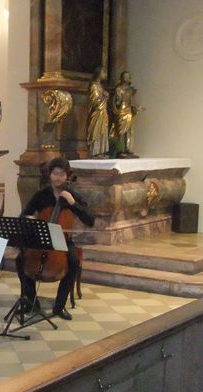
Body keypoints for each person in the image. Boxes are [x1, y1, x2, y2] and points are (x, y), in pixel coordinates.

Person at [15, 157, 94, 320]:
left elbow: (90, 220)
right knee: (20, 260)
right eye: (54, 173)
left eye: (61, 174)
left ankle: (59, 306)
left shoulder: (72, 196)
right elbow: (25, 214)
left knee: (72, 261)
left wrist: (73, 203)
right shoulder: (41, 195)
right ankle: (30, 302)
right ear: (50, 175)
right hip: (41, 239)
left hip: (63, 241)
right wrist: (28, 218)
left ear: (67, 176)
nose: (57, 177)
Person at [110, 70, 140, 155]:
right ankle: (120, 149)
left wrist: (135, 108)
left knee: (130, 130)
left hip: (129, 110)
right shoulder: (119, 89)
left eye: (128, 76)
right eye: (125, 76)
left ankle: (128, 148)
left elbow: (132, 101)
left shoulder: (130, 90)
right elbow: (117, 101)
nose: (126, 78)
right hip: (122, 110)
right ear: (122, 78)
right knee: (121, 131)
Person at [87, 67, 110, 158]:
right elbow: (94, 101)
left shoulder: (100, 86)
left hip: (103, 111)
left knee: (103, 130)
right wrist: (104, 96)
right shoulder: (94, 86)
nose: (105, 75)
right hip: (97, 112)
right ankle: (96, 151)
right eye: (103, 72)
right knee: (97, 131)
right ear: (98, 74)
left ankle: (101, 151)